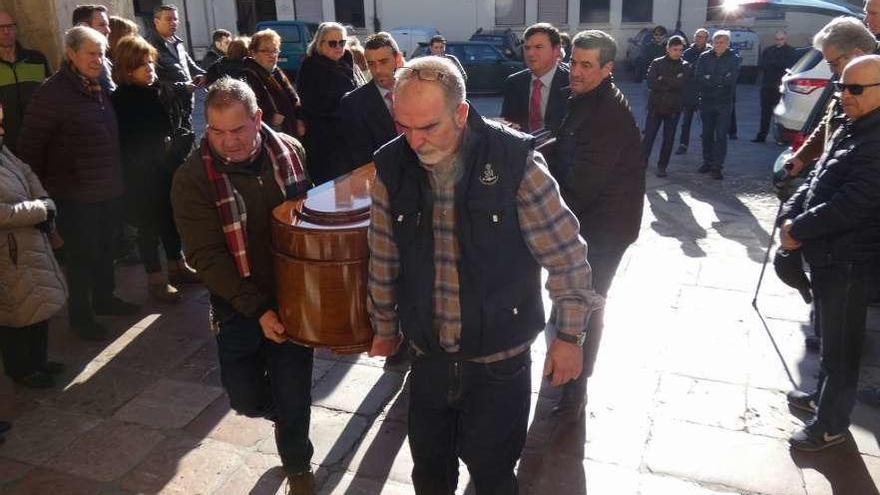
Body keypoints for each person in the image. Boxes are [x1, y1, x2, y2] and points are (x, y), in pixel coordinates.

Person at [366, 55, 602, 494]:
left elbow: (567, 256)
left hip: (500, 362)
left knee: (493, 475)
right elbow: (383, 256)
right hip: (430, 357)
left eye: (428, 127)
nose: (414, 142)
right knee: (430, 475)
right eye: (403, 126)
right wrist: (383, 325)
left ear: (460, 113)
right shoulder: (391, 168)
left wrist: (569, 337)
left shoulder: (516, 165)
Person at [171, 77, 314, 494]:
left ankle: (298, 465)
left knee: (294, 392)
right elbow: (205, 256)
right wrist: (257, 310)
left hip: (292, 297)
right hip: (236, 303)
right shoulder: (192, 177)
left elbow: (307, 216)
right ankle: (282, 413)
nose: (228, 142)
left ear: (257, 119)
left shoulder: (290, 151)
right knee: (245, 398)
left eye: (237, 130)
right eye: (217, 131)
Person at [780, 54, 880, 452]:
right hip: (828, 253)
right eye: (841, 87)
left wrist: (798, 230)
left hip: (849, 259)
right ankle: (822, 398)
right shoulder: (852, 125)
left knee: (842, 346)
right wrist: (791, 213)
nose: (843, 95)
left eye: (854, 89)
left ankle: (831, 423)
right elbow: (819, 177)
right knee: (827, 333)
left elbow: (852, 204)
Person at [545, 30, 645, 422]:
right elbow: (564, 147)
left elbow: (581, 185)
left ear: (607, 69)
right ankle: (565, 369)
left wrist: (536, 210)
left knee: (587, 305)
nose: (577, 72)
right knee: (571, 302)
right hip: (590, 223)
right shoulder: (586, 98)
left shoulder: (608, 114)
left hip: (603, 230)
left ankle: (575, 392)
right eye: (574, 62)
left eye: (587, 65)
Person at [18, 27, 138, 341]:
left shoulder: (99, 85)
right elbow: (31, 148)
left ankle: (105, 298)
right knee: (81, 256)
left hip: (108, 187)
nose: (98, 60)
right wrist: (45, 192)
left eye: (101, 54)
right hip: (74, 193)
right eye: (91, 53)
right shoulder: (52, 93)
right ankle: (81, 316)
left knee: (105, 249)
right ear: (71, 54)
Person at [111, 35, 198, 303]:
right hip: (142, 176)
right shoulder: (121, 100)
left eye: (150, 62)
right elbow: (129, 143)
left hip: (166, 168)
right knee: (149, 228)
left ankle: (177, 266)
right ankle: (156, 279)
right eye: (142, 65)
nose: (150, 69)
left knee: (170, 219)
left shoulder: (156, 90)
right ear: (127, 69)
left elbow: (171, 123)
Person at [0, 102, 67, 388]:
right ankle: (21, 369)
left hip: (30, 241)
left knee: (39, 304)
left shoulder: (3, 151)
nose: (2, 130)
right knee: (16, 313)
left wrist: (44, 201)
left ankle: (38, 361)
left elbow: (26, 172)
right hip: (8, 251)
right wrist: (40, 209)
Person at [296, 21, 365, 184]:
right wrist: (347, 109)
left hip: (349, 138)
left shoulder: (347, 61)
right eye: (333, 43)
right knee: (333, 193)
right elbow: (312, 105)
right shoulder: (310, 66)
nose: (338, 47)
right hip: (325, 141)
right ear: (320, 44)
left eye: (342, 42)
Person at [338, 31, 402, 171]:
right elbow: (358, 158)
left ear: (397, 59)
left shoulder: (415, 93)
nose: (377, 70)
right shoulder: (353, 103)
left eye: (383, 62)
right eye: (371, 64)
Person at [500, 23, 570, 133]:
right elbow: (508, 124)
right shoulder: (514, 83)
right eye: (527, 48)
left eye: (538, 47)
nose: (530, 53)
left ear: (556, 50)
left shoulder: (570, 83)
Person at [147, 4, 206, 129]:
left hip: (185, 106)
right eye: (168, 19)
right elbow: (153, 83)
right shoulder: (149, 46)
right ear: (156, 21)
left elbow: (191, 66)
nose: (173, 23)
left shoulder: (177, 42)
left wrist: (205, 75)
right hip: (168, 109)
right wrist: (182, 87)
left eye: (175, 19)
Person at [0, 11, 50, 155]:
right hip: (6, 151)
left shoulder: (36, 59)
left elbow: (52, 97)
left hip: (41, 143)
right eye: (0, 27)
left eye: (10, 26)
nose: (6, 31)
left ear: (16, 29)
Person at [695, 30, 740, 180]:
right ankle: (707, 161)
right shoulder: (704, 57)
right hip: (707, 101)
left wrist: (711, 79)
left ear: (728, 44)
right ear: (712, 43)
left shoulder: (734, 59)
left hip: (724, 103)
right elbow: (699, 77)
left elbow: (730, 80)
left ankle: (717, 166)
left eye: (722, 42)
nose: (718, 45)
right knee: (707, 134)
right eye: (716, 42)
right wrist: (719, 80)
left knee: (721, 135)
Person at [643, 35, 689, 177]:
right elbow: (651, 83)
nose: (678, 53)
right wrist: (672, 81)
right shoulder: (657, 63)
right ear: (668, 49)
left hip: (673, 109)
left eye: (680, 50)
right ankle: (641, 165)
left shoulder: (685, 65)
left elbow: (682, 84)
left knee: (668, 140)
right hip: (655, 108)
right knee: (648, 138)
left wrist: (663, 80)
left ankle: (662, 166)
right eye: (675, 49)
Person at [241, 29, 301, 138]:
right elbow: (245, 108)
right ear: (253, 52)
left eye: (275, 50)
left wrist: (299, 119)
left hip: (288, 131)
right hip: (268, 134)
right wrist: (269, 117)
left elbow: (293, 97)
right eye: (265, 51)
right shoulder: (248, 75)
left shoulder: (276, 71)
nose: (272, 55)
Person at [753, 31, 797, 142]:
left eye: (781, 39)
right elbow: (762, 65)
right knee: (765, 113)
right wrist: (776, 65)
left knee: (780, 113)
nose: (779, 41)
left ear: (785, 39)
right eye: (777, 39)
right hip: (767, 85)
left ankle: (780, 137)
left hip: (781, 86)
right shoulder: (768, 50)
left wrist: (773, 64)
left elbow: (788, 66)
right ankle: (762, 136)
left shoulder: (790, 51)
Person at [676, 27, 709, 155]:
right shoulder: (687, 52)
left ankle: (707, 147)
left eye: (702, 37)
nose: (699, 39)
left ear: (706, 39)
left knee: (706, 122)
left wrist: (694, 69)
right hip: (689, 91)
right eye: (697, 36)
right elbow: (684, 69)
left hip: (704, 91)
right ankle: (683, 144)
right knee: (686, 122)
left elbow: (708, 70)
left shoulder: (710, 52)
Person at [72, 4, 114, 92]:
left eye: (108, 25)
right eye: (102, 25)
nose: (108, 30)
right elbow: (111, 95)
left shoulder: (105, 59)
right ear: (83, 27)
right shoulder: (92, 60)